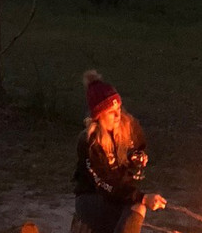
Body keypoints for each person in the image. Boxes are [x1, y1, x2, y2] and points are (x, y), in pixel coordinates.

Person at [71, 70, 167, 233]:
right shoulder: (90, 142)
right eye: (111, 112)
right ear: (99, 116)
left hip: (117, 195)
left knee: (135, 210)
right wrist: (142, 197)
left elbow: (139, 145)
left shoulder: (128, 126)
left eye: (119, 108)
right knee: (137, 206)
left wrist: (137, 158)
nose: (117, 115)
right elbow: (106, 184)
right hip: (92, 197)